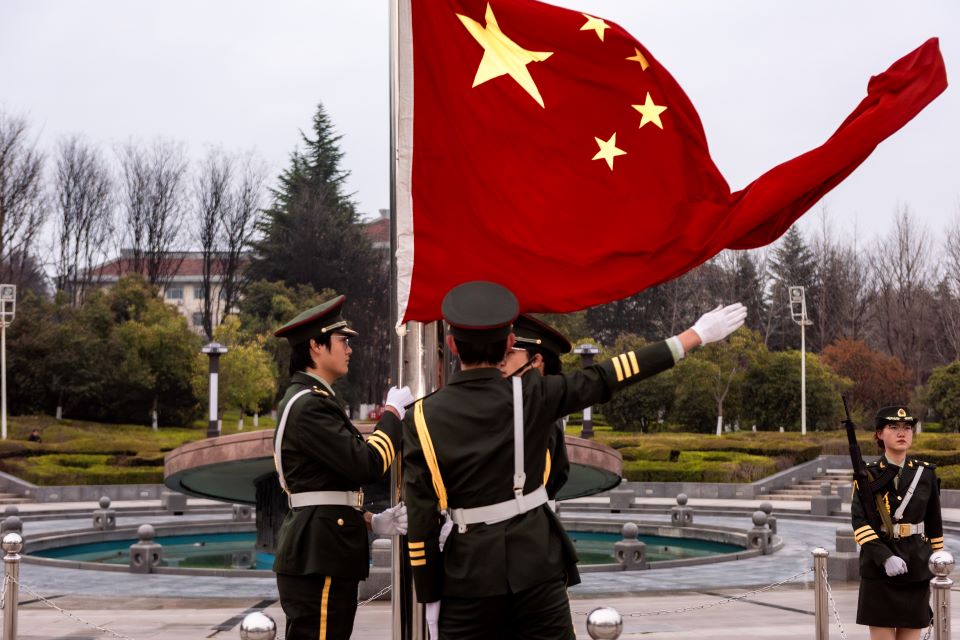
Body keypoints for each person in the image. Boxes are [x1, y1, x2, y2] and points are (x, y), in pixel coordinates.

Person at [403, 281, 746, 640]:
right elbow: (610, 375)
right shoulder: (534, 394)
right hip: (535, 566)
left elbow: (421, 518)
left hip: (467, 575)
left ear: (452, 345)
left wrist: (429, 591)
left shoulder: (420, 417)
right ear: (508, 343)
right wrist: (692, 337)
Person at [272, 295, 414, 640]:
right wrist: (392, 415)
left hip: (324, 546)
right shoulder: (310, 405)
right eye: (342, 341)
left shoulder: (311, 400)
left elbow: (323, 483)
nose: (349, 349)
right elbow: (366, 464)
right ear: (316, 346)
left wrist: (369, 519)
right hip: (321, 550)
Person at [852, 405, 944, 640]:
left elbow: (934, 524)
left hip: (916, 568)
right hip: (878, 570)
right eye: (893, 427)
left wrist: (937, 564)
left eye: (907, 427)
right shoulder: (867, 475)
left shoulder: (926, 474)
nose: (902, 433)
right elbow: (860, 524)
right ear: (879, 434)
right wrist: (885, 557)